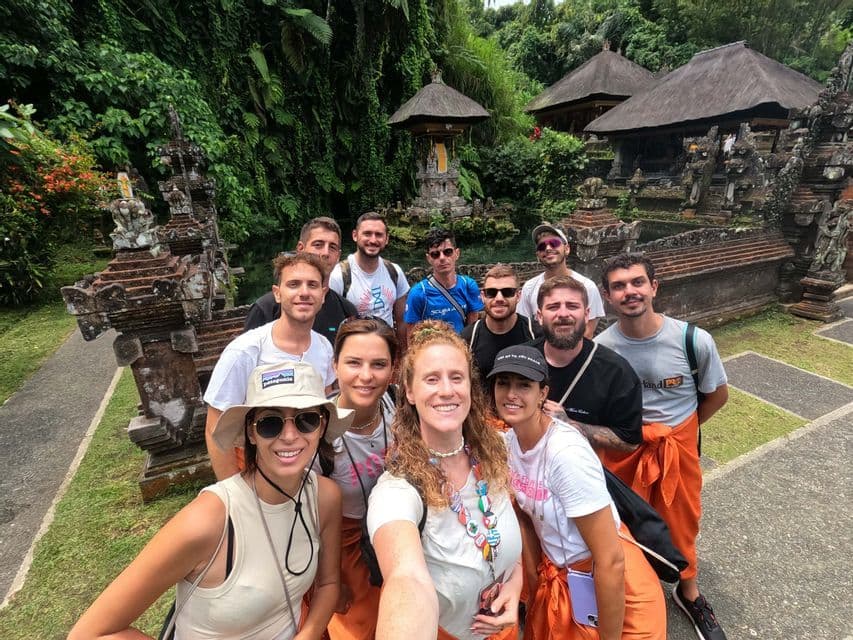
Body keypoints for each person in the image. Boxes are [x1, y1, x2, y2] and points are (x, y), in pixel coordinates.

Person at [69, 361, 350, 640]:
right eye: (270, 424)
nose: (290, 436)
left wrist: (309, 633)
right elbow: (89, 633)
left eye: (307, 420)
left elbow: (328, 583)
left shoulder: (323, 496)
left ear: (322, 426)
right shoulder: (207, 521)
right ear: (251, 432)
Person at [487, 345, 666, 640]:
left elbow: (610, 559)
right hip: (567, 580)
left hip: (616, 591)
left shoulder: (565, 453)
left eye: (524, 385)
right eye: (503, 382)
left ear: (543, 393)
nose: (511, 394)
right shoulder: (510, 444)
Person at [596, 253, 729, 640]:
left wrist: (678, 435)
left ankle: (689, 592)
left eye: (637, 282)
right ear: (607, 296)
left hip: (675, 449)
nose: (629, 292)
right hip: (624, 450)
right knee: (623, 524)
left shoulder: (693, 340)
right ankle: (635, 589)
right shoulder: (602, 349)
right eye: (619, 286)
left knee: (682, 522)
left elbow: (716, 395)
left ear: (654, 287)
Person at [366, 321, 523, 640]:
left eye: (456, 377)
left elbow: (505, 544)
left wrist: (514, 583)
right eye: (431, 379)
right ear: (409, 391)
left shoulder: (495, 452)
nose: (447, 390)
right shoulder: (397, 490)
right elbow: (405, 577)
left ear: (470, 386)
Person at [205, 252, 337, 479]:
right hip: (255, 465)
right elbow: (216, 428)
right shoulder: (246, 351)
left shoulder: (324, 347)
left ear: (323, 294)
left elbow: (322, 409)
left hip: (307, 464)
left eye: (312, 285)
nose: (304, 293)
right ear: (277, 293)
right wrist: (233, 493)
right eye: (294, 284)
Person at [323, 317, 399, 640]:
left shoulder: (396, 404)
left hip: (397, 532)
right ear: (335, 365)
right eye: (354, 363)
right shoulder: (315, 431)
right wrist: (327, 581)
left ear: (393, 369)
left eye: (378, 364)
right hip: (343, 545)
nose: (366, 376)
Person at [528, 275, 643, 453]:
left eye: (572, 306)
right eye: (553, 307)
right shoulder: (520, 360)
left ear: (587, 314)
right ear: (540, 316)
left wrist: (569, 424)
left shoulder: (615, 371)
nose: (563, 314)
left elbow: (630, 441)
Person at [244, 217, 357, 345]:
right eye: (318, 245)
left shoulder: (347, 312)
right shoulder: (266, 309)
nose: (325, 253)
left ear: (338, 256)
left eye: (332, 247)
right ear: (300, 248)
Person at [329, 212, 410, 345]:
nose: (373, 240)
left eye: (378, 235)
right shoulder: (339, 276)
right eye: (367, 234)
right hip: (354, 350)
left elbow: (401, 321)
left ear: (387, 239)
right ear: (355, 235)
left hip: (387, 348)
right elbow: (330, 324)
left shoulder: (394, 272)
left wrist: (402, 356)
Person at [517, 224, 604, 338]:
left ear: (566, 249)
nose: (548, 249)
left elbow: (587, 332)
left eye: (554, 244)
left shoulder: (587, 287)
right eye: (542, 246)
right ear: (538, 255)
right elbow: (524, 326)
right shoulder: (529, 287)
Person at [460, 263, 535, 389]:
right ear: (483, 297)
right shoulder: (467, 339)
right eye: (491, 293)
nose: (499, 298)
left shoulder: (535, 334)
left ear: (518, 296)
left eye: (507, 292)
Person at [404, 228, 483, 335]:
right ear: (428, 258)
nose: (442, 258)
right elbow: (412, 336)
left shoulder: (468, 285)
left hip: (461, 348)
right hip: (431, 349)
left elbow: (472, 330)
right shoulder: (419, 293)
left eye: (447, 252)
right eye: (435, 254)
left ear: (457, 253)